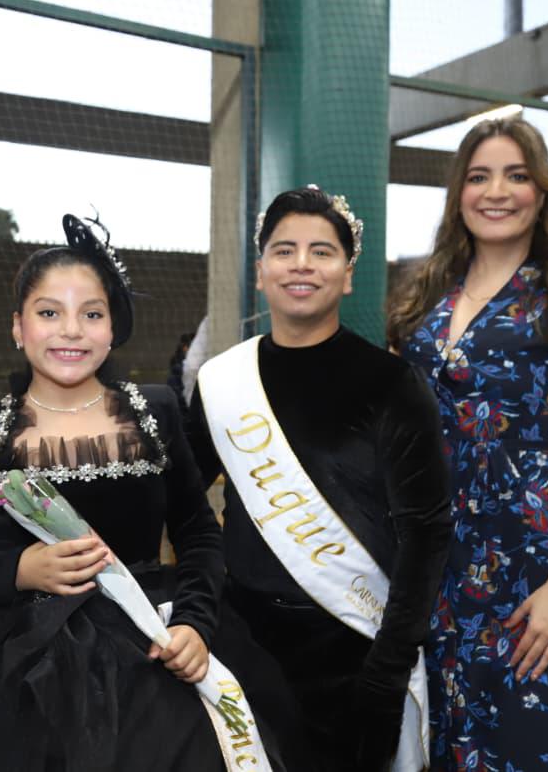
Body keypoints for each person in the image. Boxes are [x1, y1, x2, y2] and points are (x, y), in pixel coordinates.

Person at [0, 215, 295, 772]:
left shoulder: (155, 412)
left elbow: (199, 534)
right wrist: (19, 570)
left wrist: (195, 624)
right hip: (12, 665)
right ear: (18, 326)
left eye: (92, 314)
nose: (71, 330)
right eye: (49, 312)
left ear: (112, 328)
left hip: (151, 646)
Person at [388, 117, 548, 770]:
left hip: (543, 560)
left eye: (516, 175)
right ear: (458, 193)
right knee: (447, 740)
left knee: (542, 740)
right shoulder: (423, 294)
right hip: (439, 565)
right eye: (478, 176)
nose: (496, 191)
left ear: (543, 190)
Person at [188, 187, 452, 772]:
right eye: (284, 250)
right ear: (261, 272)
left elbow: (426, 533)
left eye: (321, 251)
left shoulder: (392, 384)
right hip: (243, 643)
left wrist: (388, 667)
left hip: (355, 650)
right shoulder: (222, 381)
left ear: (348, 275)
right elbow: (180, 505)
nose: (302, 263)